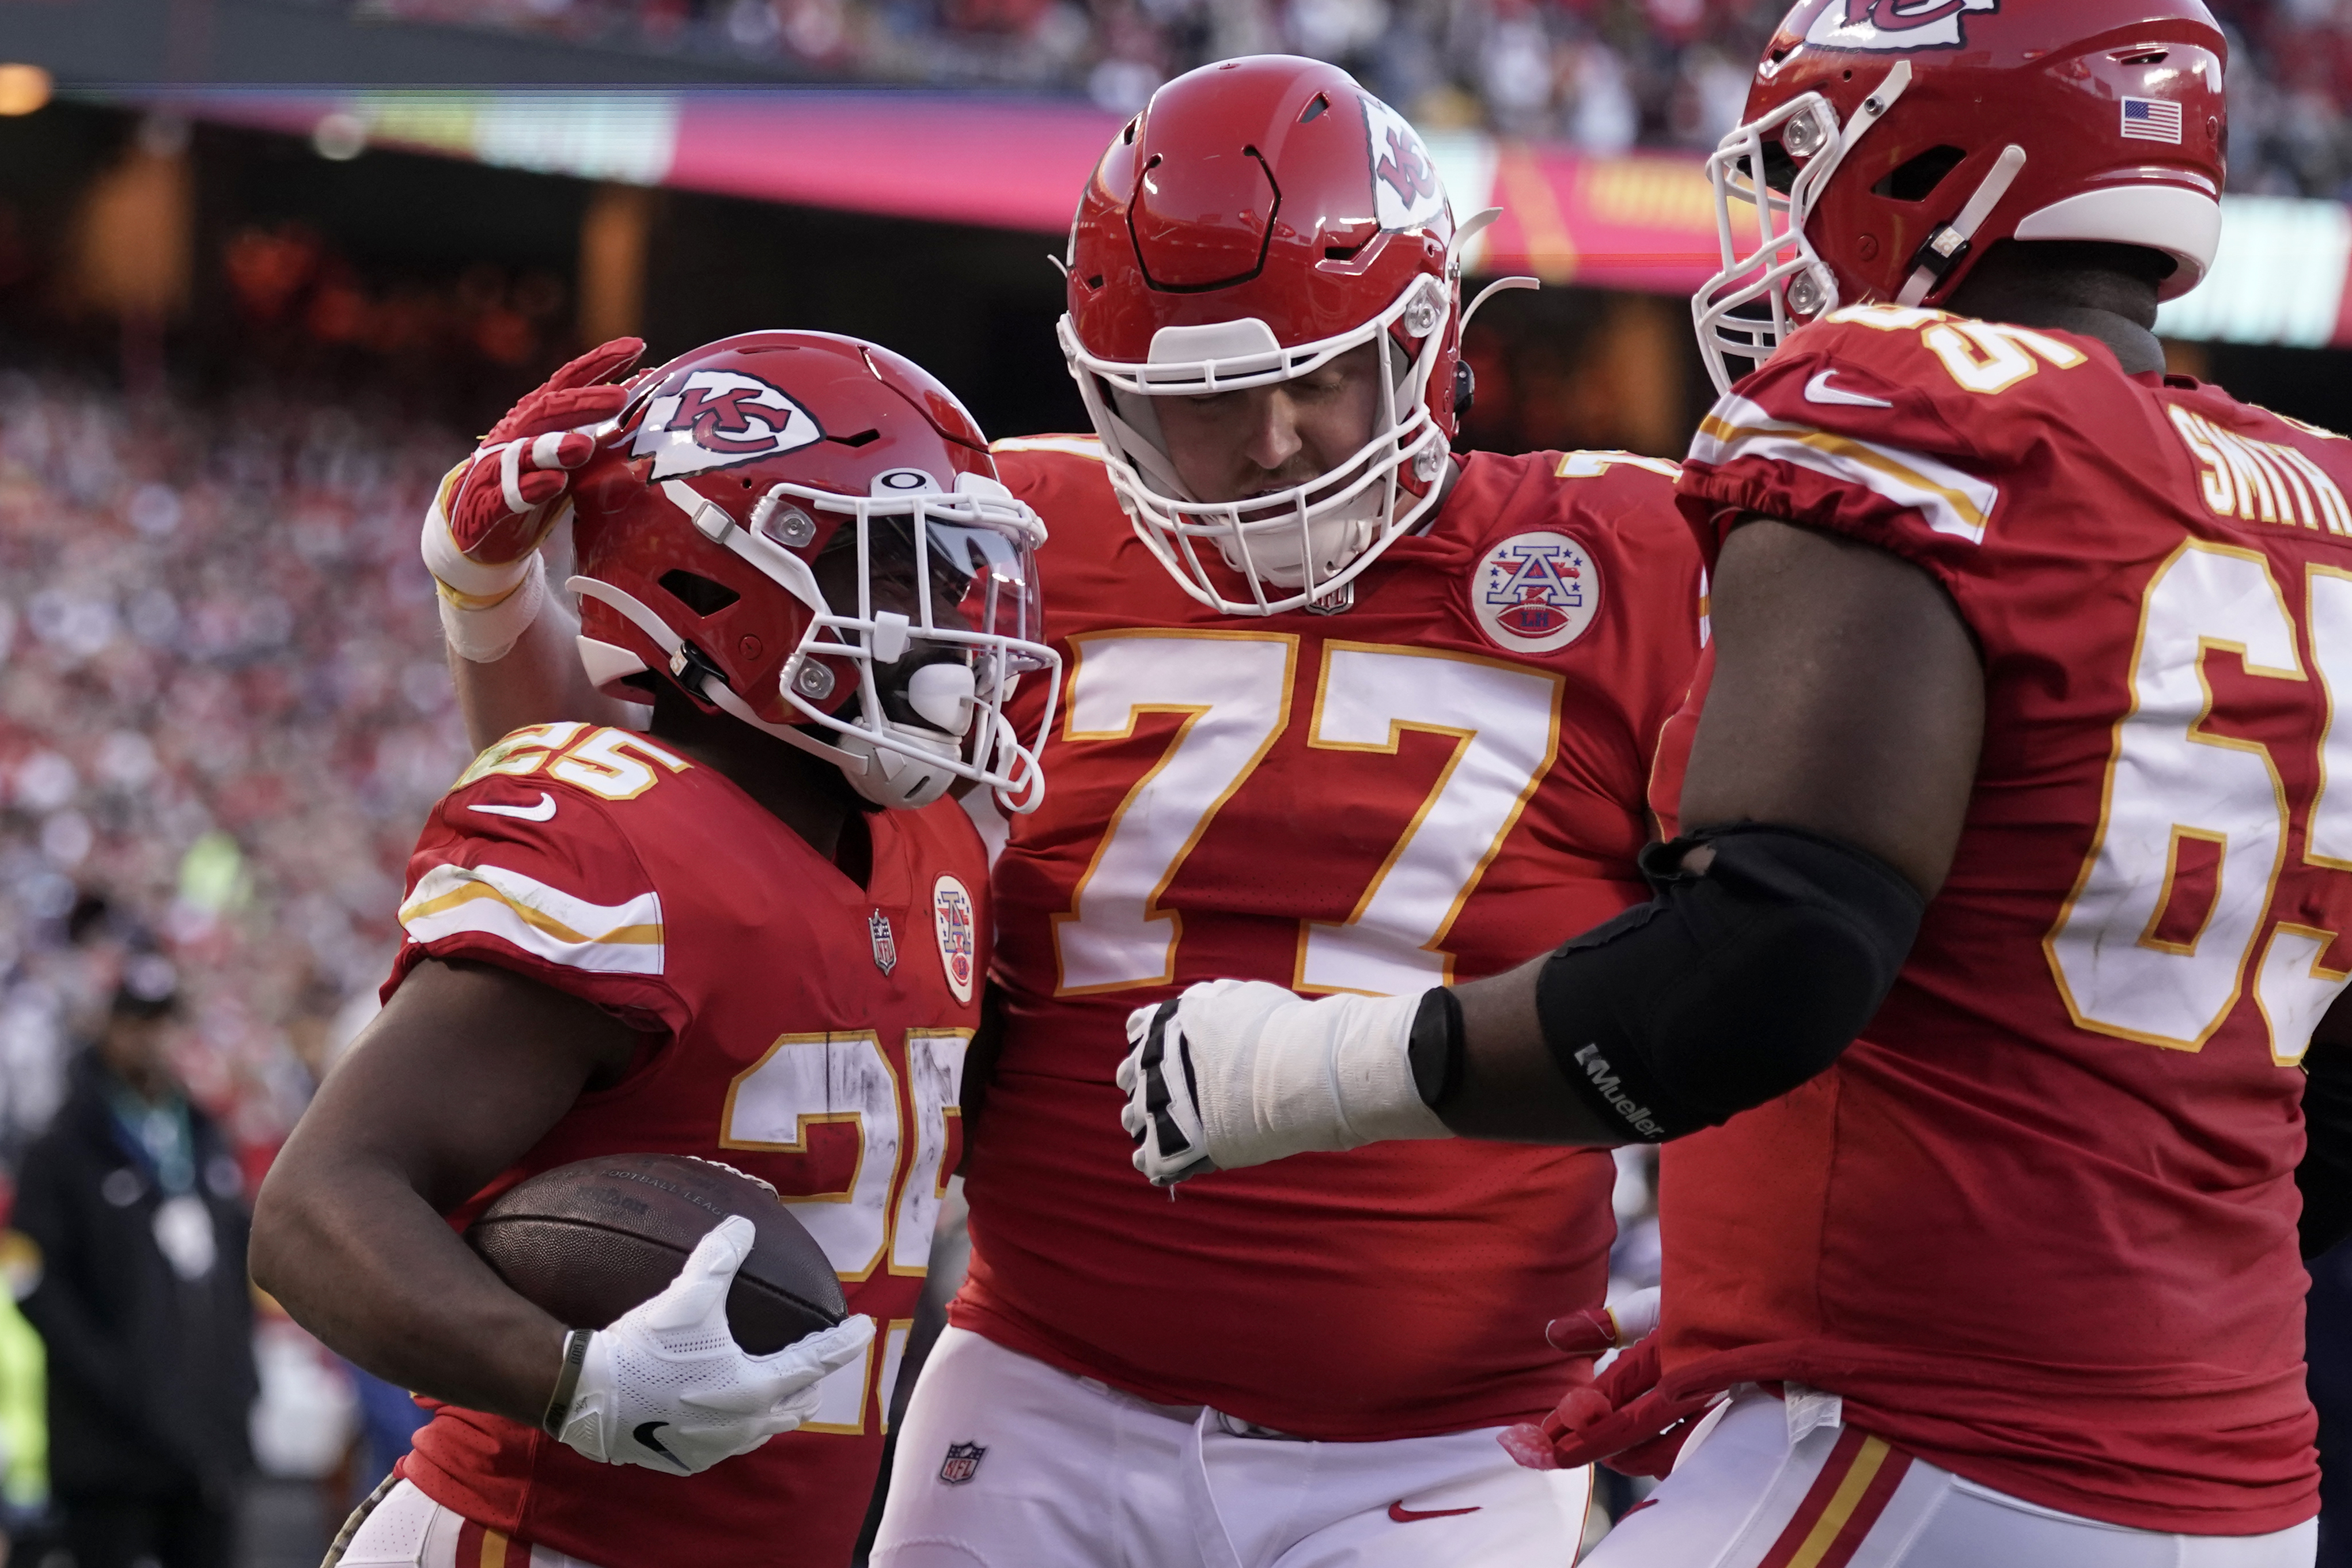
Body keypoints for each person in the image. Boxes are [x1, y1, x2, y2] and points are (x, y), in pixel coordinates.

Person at [1118, 3, 2350, 1563]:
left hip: (1934, 1456)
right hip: (2220, 1473)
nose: (1776, 227)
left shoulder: (1909, 405)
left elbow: (1773, 951)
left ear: (1942, 166)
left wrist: (1307, 1072)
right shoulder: (2316, 501)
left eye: (1799, 168)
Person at [436, 55, 1706, 1567]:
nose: (1280, 441)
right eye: (1213, 403)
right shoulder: (1011, 530)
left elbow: (1774, 950)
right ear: (1108, 388)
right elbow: (652, 856)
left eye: (1319, 375)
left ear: (1427, 335)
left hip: (1447, 1432)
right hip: (1047, 1385)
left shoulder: (1631, 555)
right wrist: (490, 600)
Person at [251, 331, 1059, 1568]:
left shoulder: (934, 848)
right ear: (720, 582)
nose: (948, 628)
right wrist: (578, 1379)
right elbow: (313, 1210)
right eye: (897, 576)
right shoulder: (622, 842)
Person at [14, 956, 256, 1568]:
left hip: (206, 1440)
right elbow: (34, 1284)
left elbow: (232, 1268)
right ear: (109, 1027)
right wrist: (120, 1382)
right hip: (108, 1451)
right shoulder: (62, 1148)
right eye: (135, 1023)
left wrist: (240, 1383)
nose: (150, 1039)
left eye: (163, 1022)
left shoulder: (202, 1137)